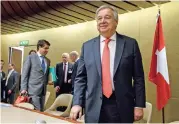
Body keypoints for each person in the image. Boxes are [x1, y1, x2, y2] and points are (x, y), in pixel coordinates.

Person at [70, 5, 146, 123]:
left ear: (116, 21)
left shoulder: (130, 44)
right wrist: (77, 103)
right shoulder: (87, 46)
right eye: (99, 18)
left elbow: (138, 77)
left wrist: (139, 105)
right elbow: (80, 78)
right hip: (93, 106)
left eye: (107, 17)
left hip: (122, 106)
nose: (102, 21)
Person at [20, 40, 50, 111]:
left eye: (48, 48)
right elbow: (24, 74)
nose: (47, 50)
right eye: (45, 48)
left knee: (41, 110)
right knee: (37, 111)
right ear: (39, 47)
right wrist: (23, 88)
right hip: (32, 91)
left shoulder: (47, 60)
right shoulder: (30, 57)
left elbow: (45, 75)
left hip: (43, 91)